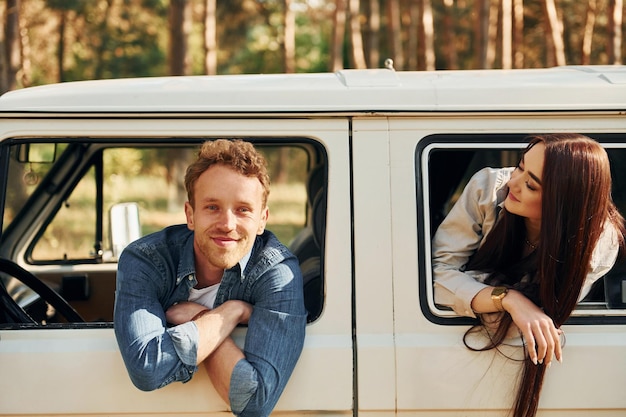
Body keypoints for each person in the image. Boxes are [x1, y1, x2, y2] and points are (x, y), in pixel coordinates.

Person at [432, 133, 626, 417]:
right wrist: (510, 299)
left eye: (531, 184)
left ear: (563, 204)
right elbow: (434, 277)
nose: (513, 182)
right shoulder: (488, 188)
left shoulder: (598, 244)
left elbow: (526, 324)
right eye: (520, 166)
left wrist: (472, 286)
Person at [114, 139, 307, 417]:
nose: (227, 225)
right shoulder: (146, 260)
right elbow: (147, 370)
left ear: (262, 220)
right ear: (190, 215)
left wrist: (200, 318)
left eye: (243, 210)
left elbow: (254, 403)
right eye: (212, 207)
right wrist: (231, 313)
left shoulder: (276, 272)